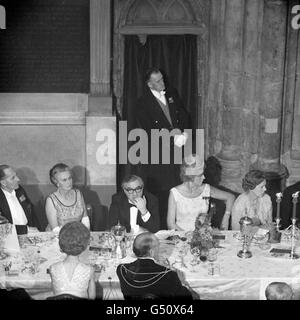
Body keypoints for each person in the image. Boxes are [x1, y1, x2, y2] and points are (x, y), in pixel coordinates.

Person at [134, 67, 191, 229]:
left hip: (178, 153)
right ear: (149, 84)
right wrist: (172, 137)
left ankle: (177, 228)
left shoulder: (172, 93)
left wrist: (185, 134)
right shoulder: (142, 103)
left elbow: (183, 115)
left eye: (162, 79)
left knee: (178, 188)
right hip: (158, 157)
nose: (162, 83)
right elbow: (148, 131)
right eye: (157, 81)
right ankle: (162, 230)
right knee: (162, 193)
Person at [167, 154, 235, 231]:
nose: (204, 177)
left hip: (203, 238)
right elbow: (171, 224)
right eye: (200, 175)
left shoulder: (206, 189)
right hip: (181, 238)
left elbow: (230, 197)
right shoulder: (175, 193)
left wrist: (226, 217)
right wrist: (187, 237)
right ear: (191, 177)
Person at [116, 232, 193, 300]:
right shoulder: (169, 275)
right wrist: (182, 282)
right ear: (151, 252)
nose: (159, 249)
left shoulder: (122, 270)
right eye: (158, 246)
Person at [48, 221, 96, 300]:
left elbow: (55, 293)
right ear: (85, 245)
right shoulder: (89, 270)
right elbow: (92, 297)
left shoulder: (53, 268)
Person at [45, 163, 90, 232]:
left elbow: (85, 218)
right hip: (58, 237)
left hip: (78, 235)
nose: (69, 182)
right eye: (64, 180)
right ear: (56, 182)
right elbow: (55, 230)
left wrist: (86, 235)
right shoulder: (51, 200)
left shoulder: (78, 194)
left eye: (70, 178)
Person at [0, 164, 38, 235]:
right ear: (3, 183)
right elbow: (2, 227)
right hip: (11, 237)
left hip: (30, 233)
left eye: (16, 175)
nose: (18, 179)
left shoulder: (19, 190)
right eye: (13, 178)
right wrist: (26, 230)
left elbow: (31, 210)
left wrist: (38, 229)